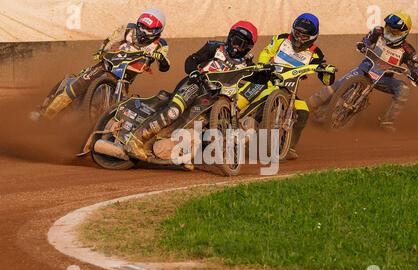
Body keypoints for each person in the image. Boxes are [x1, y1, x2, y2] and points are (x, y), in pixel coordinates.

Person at [126, 21, 260, 161]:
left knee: (193, 125)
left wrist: (271, 73)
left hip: (215, 101)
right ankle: (135, 140)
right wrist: (194, 72)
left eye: (241, 44)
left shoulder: (248, 65)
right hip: (196, 85)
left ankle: (169, 149)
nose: (236, 46)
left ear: (248, 48)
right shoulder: (215, 47)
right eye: (235, 40)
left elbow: (259, 79)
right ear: (229, 36)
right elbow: (191, 60)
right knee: (173, 112)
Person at [33, 9, 171, 120]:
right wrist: (101, 51)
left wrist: (160, 58)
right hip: (108, 62)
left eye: (148, 29)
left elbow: (165, 67)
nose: (142, 31)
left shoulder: (161, 44)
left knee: (120, 105)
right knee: (80, 83)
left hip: (126, 74)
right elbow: (111, 40)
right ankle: (46, 114)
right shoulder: (128, 29)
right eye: (141, 26)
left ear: (157, 31)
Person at [237, 13, 336, 160]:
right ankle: (220, 118)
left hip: (290, 91)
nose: (299, 38)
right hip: (267, 81)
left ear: (313, 37)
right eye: (297, 33)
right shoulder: (281, 38)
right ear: (293, 30)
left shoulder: (316, 53)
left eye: (304, 36)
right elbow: (266, 52)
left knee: (303, 111)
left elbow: (326, 80)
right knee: (241, 98)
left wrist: (328, 71)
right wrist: (263, 65)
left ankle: (288, 147)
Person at [309, 11, 418, 133]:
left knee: (404, 90)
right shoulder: (378, 31)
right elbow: (366, 41)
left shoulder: (408, 50)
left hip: (384, 78)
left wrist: (417, 76)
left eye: (395, 31)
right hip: (365, 68)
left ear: (404, 33)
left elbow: (417, 68)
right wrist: (363, 45)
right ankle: (309, 105)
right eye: (389, 28)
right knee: (338, 85)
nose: (390, 32)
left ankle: (387, 121)